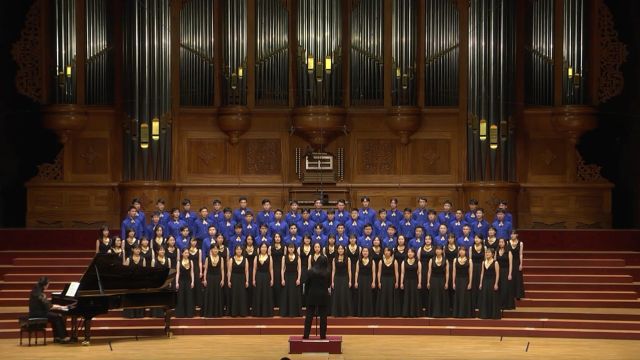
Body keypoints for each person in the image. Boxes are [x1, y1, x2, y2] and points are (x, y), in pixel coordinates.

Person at [29, 276, 69, 343]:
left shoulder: (36, 290)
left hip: (36, 312)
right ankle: (63, 337)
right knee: (58, 316)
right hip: (39, 313)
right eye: (48, 284)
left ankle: (57, 337)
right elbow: (48, 306)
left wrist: (60, 306)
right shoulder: (40, 293)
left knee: (54, 317)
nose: (48, 285)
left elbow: (47, 305)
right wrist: (62, 307)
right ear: (45, 285)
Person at [303, 256, 331, 339]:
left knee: (309, 316)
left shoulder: (310, 271)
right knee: (323, 317)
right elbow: (328, 284)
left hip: (312, 295)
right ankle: (323, 336)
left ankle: (306, 335)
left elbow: (307, 284)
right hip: (323, 295)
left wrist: (307, 294)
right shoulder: (327, 272)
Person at [124, 245, 146, 318]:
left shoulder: (143, 259)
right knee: (131, 297)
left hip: (140, 282)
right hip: (131, 282)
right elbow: (125, 272)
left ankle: (139, 314)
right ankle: (130, 314)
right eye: (136, 249)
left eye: (139, 249)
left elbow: (144, 271)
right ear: (133, 250)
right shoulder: (128, 259)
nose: (138, 251)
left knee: (139, 298)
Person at [478, 248, 501, 319]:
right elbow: (482, 273)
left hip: (492, 281)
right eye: (486, 252)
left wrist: (496, 284)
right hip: (485, 282)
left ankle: (493, 315)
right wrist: (481, 283)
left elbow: (497, 274)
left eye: (489, 252)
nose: (487, 254)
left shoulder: (495, 262)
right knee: (485, 297)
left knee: (492, 298)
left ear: (493, 254)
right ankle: (485, 314)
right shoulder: (483, 262)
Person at [202, 246, 225, 318]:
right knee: (210, 295)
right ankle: (209, 312)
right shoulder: (207, 258)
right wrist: (205, 279)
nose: (215, 250)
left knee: (217, 295)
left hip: (218, 278)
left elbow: (222, 270)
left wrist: (223, 279)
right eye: (214, 249)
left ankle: (217, 312)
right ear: (211, 250)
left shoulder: (221, 259)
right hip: (209, 278)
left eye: (216, 249)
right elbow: (205, 270)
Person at [427, 246, 449, 318]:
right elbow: (429, 272)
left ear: (442, 251)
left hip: (442, 279)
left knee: (441, 295)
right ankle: (433, 312)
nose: (438, 251)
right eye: (437, 249)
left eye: (439, 250)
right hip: (433, 279)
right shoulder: (431, 260)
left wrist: (446, 282)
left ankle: (442, 313)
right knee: (434, 296)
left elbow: (447, 273)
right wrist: (428, 282)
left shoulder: (446, 260)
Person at [253, 243, 274, 317]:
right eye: (262, 247)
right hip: (258, 276)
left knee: (266, 293)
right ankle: (258, 312)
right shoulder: (256, 257)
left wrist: (272, 279)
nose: (264, 248)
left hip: (267, 276)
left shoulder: (270, 257)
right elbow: (254, 269)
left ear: (267, 248)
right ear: (260, 248)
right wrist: (253, 279)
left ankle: (266, 312)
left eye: (265, 247)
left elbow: (271, 269)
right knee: (258, 293)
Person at [280, 243, 301, 317]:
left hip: (295, 276)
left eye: (292, 248)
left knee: (294, 294)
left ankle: (294, 312)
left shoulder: (298, 257)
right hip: (286, 277)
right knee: (286, 294)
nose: (291, 249)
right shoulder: (284, 257)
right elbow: (282, 269)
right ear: (287, 249)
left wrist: (298, 278)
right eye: (289, 248)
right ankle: (285, 312)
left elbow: (299, 269)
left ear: (294, 249)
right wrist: (282, 279)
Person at [228, 245, 249, 317]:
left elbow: (246, 271)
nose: (239, 251)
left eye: (240, 249)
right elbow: (229, 271)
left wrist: (247, 281)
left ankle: (242, 312)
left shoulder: (245, 259)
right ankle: (234, 312)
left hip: (242, 278)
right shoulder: (231, 259)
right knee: (234, 295)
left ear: (242, 251)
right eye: (237, 249)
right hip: (234, 278)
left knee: (242, 295)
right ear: (235, 250)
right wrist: (229, 281)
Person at [331, 245, 352, 317]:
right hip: (337, 278)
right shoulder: (334, 259)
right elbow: (333, 271)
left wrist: (350, 281)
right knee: (337, 295)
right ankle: (336, 313)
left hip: (345, 278)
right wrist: (332, 281)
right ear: (337, 250)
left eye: (342, 249)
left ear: (344, 250)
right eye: (339, 249)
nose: (340, 250)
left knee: (344, 295)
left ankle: (344, 313)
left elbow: (349, 271)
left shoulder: (348, 259)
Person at [452, 247, 473, 318]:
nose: (461, 252)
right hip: (458, 280)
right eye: (460, 250)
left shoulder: (469, 260)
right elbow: (454, 272)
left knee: (464, 296)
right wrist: (453, 282)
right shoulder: (455, 260)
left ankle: (465, 313)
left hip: (465, 280)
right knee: (458, 296)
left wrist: (470, 283)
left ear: (466, 252)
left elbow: (470, 273)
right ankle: (457, 313)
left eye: (463, 250)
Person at [377, 247, 398, 317]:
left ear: (391, 252)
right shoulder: (381, 261)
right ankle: (383, 313)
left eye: (388, 251)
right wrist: (379, 282)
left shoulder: (394, 261)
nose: (387, 252)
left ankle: (391, 313)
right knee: (383, 296)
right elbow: (379, 272)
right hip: (383, 280)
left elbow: (396, 272)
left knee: (390, 296)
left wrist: (397, 282)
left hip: (391, 280)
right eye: (385, 251)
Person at [401, 248, 421, 318]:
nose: (410, 253)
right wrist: (401, 283)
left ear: (414, 253)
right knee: (407, 296)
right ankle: (406, 313)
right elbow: (402, 273)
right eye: (409, 252)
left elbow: (419, 273)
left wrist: (419, 283)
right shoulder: (404, 261)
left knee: (414, 296)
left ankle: (414, 313)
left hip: (415, 281)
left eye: (412, 252)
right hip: (406, 281)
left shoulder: (418, 262)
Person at [355, 247, 375, 317]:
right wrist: (356, 282)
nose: (365, 252)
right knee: (361, 295)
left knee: (368, 296)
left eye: (366, 251)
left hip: (369, 279)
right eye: (364, 251)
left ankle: (368, 313)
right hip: (361, 279)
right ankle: (361, 313)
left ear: (368, 252)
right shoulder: (359, 261)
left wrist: (373, 282)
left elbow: (373, 272)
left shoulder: (372, 261)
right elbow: (357, 272)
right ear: (362, 252)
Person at [496, 238, 515, 310]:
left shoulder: (509, 252)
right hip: (498, 271)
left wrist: (510, 274)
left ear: (505, 243)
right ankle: (499, 304)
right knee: (499, 288)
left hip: (506, 271)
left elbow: (511, 264)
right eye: (500, 242)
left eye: (502, 242)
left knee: (505, 288)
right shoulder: (496, 251)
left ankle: (506, 304)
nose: (501, 243)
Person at [175, 248, 195, 318]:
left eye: (188, 253)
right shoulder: (178, 262)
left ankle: (189, 313)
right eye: (185, 253)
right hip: (181, 281)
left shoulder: (191, 261)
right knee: (181, 297)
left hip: (188, 281)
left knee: (189, 297)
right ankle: (180, 314)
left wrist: (192, 281)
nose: (187, 254)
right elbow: (177, 273)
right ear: (182, 253)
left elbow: (192, 272)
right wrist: (177, 282)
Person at [418, 236, 435, 314]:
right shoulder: (420, 249)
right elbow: (418, 260)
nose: (427, 240)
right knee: (423, 287)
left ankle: (430, 307)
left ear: (431, 240)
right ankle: (422, 307)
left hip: (433, 270)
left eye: (429, 239)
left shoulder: (435, 249)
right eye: (426, 239)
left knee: (430, 287)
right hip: (423, 269)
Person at [270, 233, 285, 308]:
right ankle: (273, 303)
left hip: (281, 268)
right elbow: (269, 259)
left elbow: (285, 259)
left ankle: (280, 303)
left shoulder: (283, 247)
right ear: (274, 238)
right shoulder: (271, 247)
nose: (277, 238)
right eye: (276, 237)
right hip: (273, 268)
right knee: (273, 286)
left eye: (279, 237)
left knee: (280, 286)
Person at [509, 230, 525, 300]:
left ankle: (518, 295)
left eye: (514, 234)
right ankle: (510, 295)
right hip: (509, 262)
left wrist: (521, 264)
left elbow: (521, 254)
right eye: (511, 234)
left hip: (517, 261)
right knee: (511, 277)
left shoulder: (520, 243)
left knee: (517, 278)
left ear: (517, 235)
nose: (512, 235)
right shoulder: (507, 242)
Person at [187, 237, 203, 310]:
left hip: (196, 269)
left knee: (197, 285)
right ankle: (190, 303)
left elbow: (200, 262)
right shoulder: (187, 250)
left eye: (195, 241)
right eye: (192, 241)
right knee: (190, 285)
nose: (194, 242)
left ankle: (198, 303)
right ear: (190, 242)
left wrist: (201, 271)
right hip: (188, 269)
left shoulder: (199, 251)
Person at [470, 234, 485, 310]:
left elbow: (485, 260)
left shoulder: (484, 248)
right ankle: (473, 304)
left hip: (481, 267)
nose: (476, 239)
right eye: (475, 238)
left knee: (480, 284)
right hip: (473, 267)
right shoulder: (471, 248)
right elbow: (470, 260)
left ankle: (480, 304)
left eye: (478, 238)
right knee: (473, 284)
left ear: (481, 240)